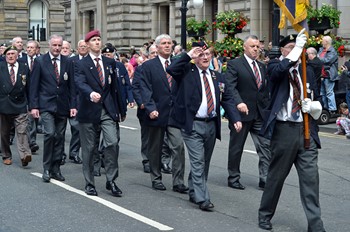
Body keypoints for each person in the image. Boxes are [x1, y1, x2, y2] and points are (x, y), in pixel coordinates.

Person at [258, 29, 326, 232]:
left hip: (306, 132)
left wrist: (314, 107)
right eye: (290, 48)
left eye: (299, 48)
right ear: (284, 52)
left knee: (310, 181)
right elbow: (278, 72)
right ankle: (265, 214)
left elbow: (318, 98)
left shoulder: (307, 72)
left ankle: (316, 225)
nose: (297, 52)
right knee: (276, 177)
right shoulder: (274, 67)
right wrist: (296, 48)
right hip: (284, 130)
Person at [166, 41, 242, 211]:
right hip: (192, 125)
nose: (206, 57)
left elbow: (227, 98)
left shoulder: (216, 76)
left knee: (204, 162)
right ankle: (202, 198)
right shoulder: (186, 72)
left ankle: (194, 190)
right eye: (201, 54)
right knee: (198, 161)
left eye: (208, 54)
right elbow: (170, 69)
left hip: (211, 124)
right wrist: (188, 55)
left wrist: (235, 118)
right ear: (195, 58)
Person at [74, 30, 126, 197]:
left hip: (107, 110)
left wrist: (121, 110)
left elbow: (115, 88)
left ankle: (111, 180)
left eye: (99, 39)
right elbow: (79, 83)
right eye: (93, 40)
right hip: (88, 110)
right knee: (89, 148)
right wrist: (90, 93)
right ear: (88, 44)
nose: (97, 42)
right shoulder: (80, 64)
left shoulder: (109, 63)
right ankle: (90, 183)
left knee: (112, 143)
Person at [140, 34, 187, 193]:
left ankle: (178, 181)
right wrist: (150, 108)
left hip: (174, 114)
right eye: (164, 43)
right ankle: (156, 177)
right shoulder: (148, 66)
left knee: (178, 146)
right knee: (155, 147)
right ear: (157, 47)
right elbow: (145, 89)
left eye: (170, 43)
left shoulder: (176, 64)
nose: (168, 46)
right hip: (157, 113)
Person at [225, 35, 271, 190]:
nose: (256, 49)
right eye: (252, 46)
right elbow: (230, 87)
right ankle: (233, 177)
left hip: (259, 114)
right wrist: (238, 102)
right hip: (241, 114)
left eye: (258, 47)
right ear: (244, 47)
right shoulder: (235, 64)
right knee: (237, 147)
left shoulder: (262, 67)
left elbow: (264, 90)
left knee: (265, 146)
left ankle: (264, 178)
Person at [29, 34, 77, 182]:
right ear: (49, 45)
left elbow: (72, 86)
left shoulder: (68, 62)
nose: (57, 48)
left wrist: (73, 105)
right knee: (49, 134)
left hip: (62, 106)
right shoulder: (40, 61)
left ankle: (56, 168)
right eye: (54, 45)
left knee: (59, 137)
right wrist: (34, 106)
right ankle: (47, 168)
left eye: (59, 45)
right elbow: (34, 85)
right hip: (46, 105)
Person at [0, 46, 32, 166]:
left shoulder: (24, 66)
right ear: (5, 56)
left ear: (17, 55)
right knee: (4, 133)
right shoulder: (1, 67)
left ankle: (25, 155)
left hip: (20, 103)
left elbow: (29, 86)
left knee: (22, 130)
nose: (11, 56)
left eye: (13, 54)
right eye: (8, 54)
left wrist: (31, 104)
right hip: (3, 104)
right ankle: (6, 155)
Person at [64, 39, 90, 165]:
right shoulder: (70, 61)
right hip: (70, 98)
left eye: (85, 46)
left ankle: (74, 152)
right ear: (77, 48)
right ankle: (64, 153)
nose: (83, 48)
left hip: (86, 99)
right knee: (70, 127)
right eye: (81, 46)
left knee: (79, 129)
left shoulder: (91, 61)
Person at [132, 44, 157, 173]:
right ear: (148, 55)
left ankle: (162, 160)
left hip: (162, 108)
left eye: (157, 53)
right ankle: (147, 160)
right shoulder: (141, 69)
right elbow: (135, 87)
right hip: (145, 108)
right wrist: (141, 102)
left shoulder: (166, 67)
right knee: (147, 136)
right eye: (153, 53)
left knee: (163, 138)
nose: (156, 55)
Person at [25, 40, 40, 153]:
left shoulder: (40, 61)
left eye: (32, 48)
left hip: (38, 94)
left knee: (33, 118)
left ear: (37, 50)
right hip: (24, 95)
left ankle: (32, 141)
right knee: (27, 119)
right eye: (28, 47)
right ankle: (30, 141)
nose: (29, 49)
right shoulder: (21, 61)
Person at [318, 35, 338, 113]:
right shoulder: (321, 50)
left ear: (326, 42)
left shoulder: (333, 51)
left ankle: (332, 109)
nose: (321, 42)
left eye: (323, 41)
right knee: (322, 93)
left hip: (329, 75)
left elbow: (328, 61)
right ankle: (325, 108)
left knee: (329, 92)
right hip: (321, 74)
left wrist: (318, 58)